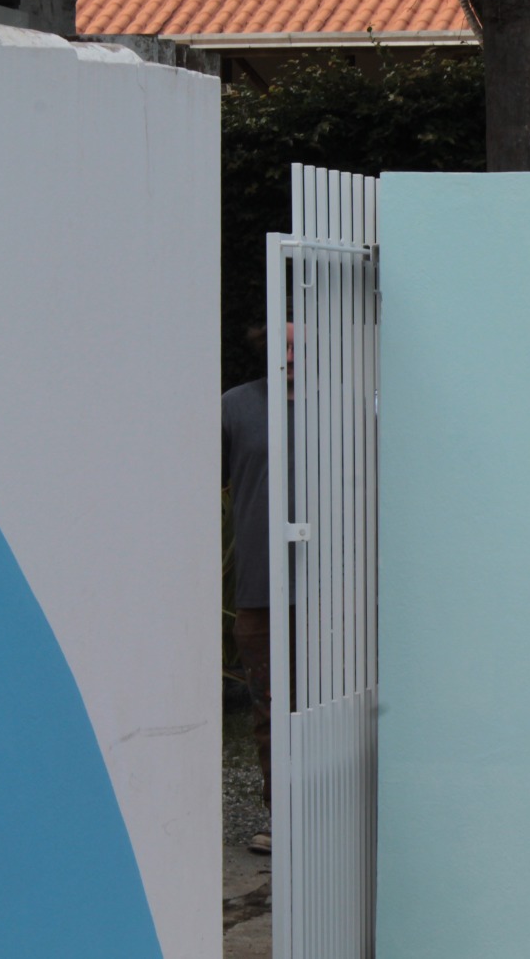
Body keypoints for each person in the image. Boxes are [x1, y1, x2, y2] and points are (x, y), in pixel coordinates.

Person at [221, 323, 293, 856]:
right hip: (260, 591)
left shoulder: (348, 406)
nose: (290, 356)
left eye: (300, 346)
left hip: (336, 598)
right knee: (271, 711)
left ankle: (341, 820)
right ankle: (283, 820)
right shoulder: (234, 408)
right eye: (281, 346)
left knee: (340, 709)